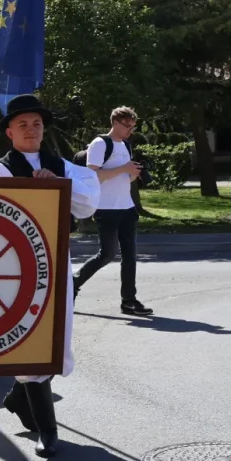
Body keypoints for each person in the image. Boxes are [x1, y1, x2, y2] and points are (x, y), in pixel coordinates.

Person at [0, 94, 100, 457]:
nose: (31, 130)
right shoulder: (1, 169)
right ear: (10, 131)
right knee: (27, 337)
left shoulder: (61, 164)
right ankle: (48, 430)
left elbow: (87, 203)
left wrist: (58, 185)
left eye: (36, 123)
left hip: (56, 256)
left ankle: (21, 397)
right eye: (22, 124)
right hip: (17, 267)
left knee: (55, 335)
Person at [73, 106, 152, 316]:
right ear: (115, 123)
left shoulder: (125, 145)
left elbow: (125, 178)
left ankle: (129, 301)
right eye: (127, 126)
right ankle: (73, 283)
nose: (130, 131)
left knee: (130, 257)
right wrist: (123, 169)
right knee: (107, 254)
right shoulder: (100, 144)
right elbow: (93, 177)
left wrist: (134, 173)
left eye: (133, 127)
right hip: (106, 209)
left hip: (127, 208)